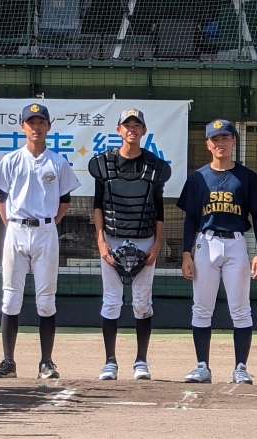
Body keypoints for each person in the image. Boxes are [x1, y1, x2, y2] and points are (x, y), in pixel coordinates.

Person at [0, 103, 81, 379]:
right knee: (11, 296)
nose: (36, 127)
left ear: (49, 126)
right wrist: (13, 225)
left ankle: (46, 363)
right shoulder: (11, 160)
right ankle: (8, 362)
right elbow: (0, 198)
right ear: (22, 127)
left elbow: (65, 201)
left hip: (45, 231)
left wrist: (47, 224)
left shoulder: (58, 162)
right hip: (16, 230)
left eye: (41, 122)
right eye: (31, 122)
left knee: (46, 299)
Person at [176, 119, 257, 384]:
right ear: (208, 144)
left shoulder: (247, 177)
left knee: (240, 308)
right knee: (201, 307)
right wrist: (186, 252)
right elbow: (191, 219)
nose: (220, 143)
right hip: (205, 243)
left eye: (225, 138)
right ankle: (202, 366)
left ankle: (240, 367)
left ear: (234, 142)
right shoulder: (198, 178)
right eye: (215, 139)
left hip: (237, 242)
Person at [88, 108, 171, 381]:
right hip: (112, 237)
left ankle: (141, 361)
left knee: (142, 302)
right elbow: (98, 205)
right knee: (111, 301)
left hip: (144, 237)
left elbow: (159, 210)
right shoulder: (103, 164)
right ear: (118, 130)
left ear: (144, 131)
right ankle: (109, 361)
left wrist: (157, 244)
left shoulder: (155, 167)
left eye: (137, 125)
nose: (132, 129)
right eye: (127, 125)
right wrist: (100, 240)